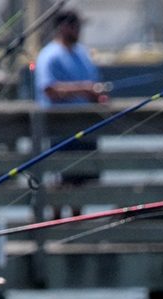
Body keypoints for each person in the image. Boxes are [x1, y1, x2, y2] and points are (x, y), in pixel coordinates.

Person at [34, 10, 108, 219]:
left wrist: (97, 95)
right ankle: (56, 224)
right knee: (61, 181)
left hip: (86, 130)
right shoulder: (49, 55)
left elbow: (94, 86)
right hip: (60, 132)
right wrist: (84, 89)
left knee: (81, 182)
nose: (79, 30)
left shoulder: (83, 54)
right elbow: (48, 89)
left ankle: (77, 224)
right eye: (75, 26)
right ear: (63, 27)